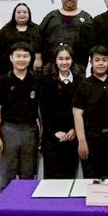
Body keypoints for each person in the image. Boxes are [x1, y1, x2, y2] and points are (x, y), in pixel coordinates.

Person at [0, 42, 41, 193]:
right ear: (11, 58)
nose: (21, 59)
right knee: (7, 175)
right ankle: (6, 207)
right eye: (18, 56)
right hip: (8, 130)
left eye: (25, 56)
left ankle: (26, 207)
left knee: (28, 175)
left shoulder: (37, 80)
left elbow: (41, 110)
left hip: (30, 130)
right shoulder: (2, 81)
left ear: (30, 58)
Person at [72, 46, 108, 180]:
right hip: (91, 139)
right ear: (91, 62)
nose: (101, 63)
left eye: (104, 60)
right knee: (92, 182)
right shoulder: (84, 85)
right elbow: (77, 114)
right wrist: (82, 141)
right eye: (97, 60)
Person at [38, 45, 83, 179]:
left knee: (70, 179)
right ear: (55, 61)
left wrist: (75, 130)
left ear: (72, 60)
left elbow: (82, 110)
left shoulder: (80, 82)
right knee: (51, 181)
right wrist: (55, 132)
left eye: (67, 58)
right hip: (51, 139)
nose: (64, 62)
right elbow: (44, 111)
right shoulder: (46, 82)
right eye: (61, 59)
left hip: (72, 138)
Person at [39, 0, 95, 72]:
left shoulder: (87, 19)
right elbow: (38, 38)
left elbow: (94, 44)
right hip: (51, 68)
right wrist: (37, 58)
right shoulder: (51, 17)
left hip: (78, 68)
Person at [0, 3, 42, 74]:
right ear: (14, 14)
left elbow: (40, 47)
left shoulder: (36, 29)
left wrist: (38, 60)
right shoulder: (6, 29)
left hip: (31, 66)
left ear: (29, 14)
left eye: (25, 12)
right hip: (9, 66)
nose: (22, 14)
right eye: (19, 12)